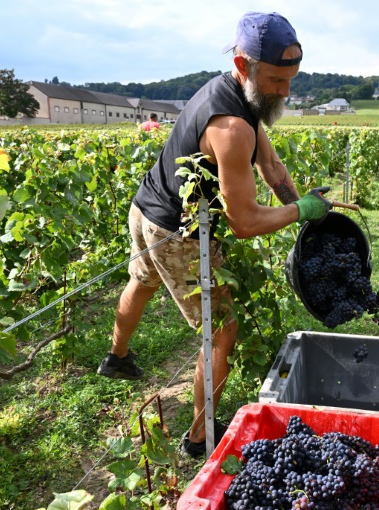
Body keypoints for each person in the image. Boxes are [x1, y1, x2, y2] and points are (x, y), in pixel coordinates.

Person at [96, 11, 332, 457]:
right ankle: (199, 437)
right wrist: (299, 210)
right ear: (243, 65)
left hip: (146, 206)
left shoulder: (239, 97)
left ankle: (117, 357)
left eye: (291, 79)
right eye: (276, 80)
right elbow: (243, 223)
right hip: (178, 231)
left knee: (141, 282)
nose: (285, 91)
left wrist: (304, 211)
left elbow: (272, 168)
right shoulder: (232, 128)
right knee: (222, 330)